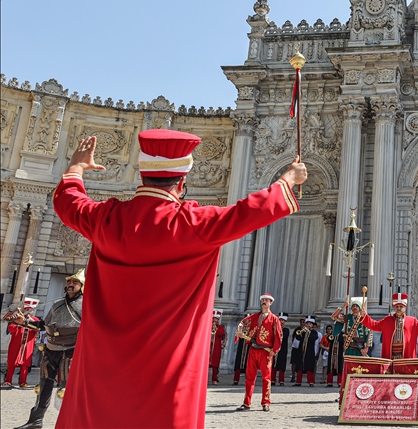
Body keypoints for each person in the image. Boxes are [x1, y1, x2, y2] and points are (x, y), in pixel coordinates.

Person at [45, 132, 306, 428]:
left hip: (101, 366)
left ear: (142, 176)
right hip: (168, 371)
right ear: (181, 183)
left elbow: (68, 201)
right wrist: (288, 180)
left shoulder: (106, 218)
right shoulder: (194, 224)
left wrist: (76, 168)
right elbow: (249, 211)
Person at [10, 270, 83, 429]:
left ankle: (71, 423)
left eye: (75, 282)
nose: (70, 284)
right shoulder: (57, 305)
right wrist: (23, 322)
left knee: (67, 389)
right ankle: (35, 421)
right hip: (51, 349)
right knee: (43, 386)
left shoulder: (86, 304)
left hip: (71, 350)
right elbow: (43, 324)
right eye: (69, 282)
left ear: (81, 286)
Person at [236, 293, 283, 412]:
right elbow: (243, 322)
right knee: (249, 377)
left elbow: (278, 335)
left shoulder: (274, 319)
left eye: (267, 300)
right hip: (253, 349)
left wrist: (275, 349)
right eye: (263, 300)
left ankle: (266, 402)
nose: (264, 302)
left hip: (266, 352)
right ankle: (246, 403)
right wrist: (240, 329)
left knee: (266, 378)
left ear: (271, 303)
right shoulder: (254, 316)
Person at [360, 293, 418, 360]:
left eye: (401, 307)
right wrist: (365, 316)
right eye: (397, 307)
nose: (399, 309)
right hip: (390, 357)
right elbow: (374, 325)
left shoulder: (412, 321)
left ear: (405, 308)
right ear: (394, 308)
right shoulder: (387, 320)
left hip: (406, 358)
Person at [3, 298, 40, 388]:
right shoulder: (17, 318)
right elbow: (11, 329)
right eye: (27, 310)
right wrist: (18, 322)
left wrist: (30, 320)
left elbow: (38, 329)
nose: (28, 312)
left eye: (30, 310)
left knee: (25, 364)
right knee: (11, 362)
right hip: (16, 344)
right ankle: (8, 380)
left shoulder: (35, 320)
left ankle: (23, 382)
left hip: (28, 345)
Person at [294, 316, 319, 387]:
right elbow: (297, 338)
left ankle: (311, 382)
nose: (308, 325)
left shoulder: (314, 332)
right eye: (307, 324)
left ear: (312, 325)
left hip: (309, 352)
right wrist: (301, 332)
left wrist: (309, 332)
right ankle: (298, 382)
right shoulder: (303, 331)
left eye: (310, 324)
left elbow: (314, 338)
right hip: (301, 351)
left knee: (309, 367)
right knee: (299, 366)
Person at [210, 309, 226, 386]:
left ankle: (214, 379)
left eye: (216, 319)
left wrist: (215, 328)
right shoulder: (208, 325)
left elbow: (221, 333)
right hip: (209, 347)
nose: (215, 320)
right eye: (214, 318)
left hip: (216, 347)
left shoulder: (220, 327)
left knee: (215, 365)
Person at [273, 314, 291, 386]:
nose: (281, 322)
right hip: (274, 348)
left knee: (282, 365)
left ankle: (281, 380)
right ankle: (273, 379)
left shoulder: (286, 330)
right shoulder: (274, 328)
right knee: (273, 364)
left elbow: (284, 336)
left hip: (283, 349)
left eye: (283, 320)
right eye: (280, 320)